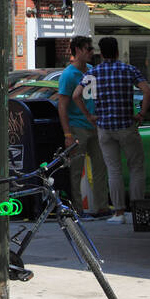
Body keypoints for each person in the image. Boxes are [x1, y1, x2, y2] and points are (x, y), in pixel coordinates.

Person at [76, 37, 150, 224]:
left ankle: (119, 212)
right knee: (136, 167)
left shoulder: (93, 73)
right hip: (127, 125)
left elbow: (76, 95)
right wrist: (141, 113)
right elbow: (147, 90)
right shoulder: (128, 70)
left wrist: (89, 116)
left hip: (104, 128)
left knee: (113, 170)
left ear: (101, 53)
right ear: (117, 52)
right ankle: (137, 211)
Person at [57, 36, 109, 218]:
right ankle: (77, 209)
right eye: (88, 49)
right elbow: (62, 105)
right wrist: (67, 133)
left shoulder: (93, 71)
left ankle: (102, 207)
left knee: (100, 167)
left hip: (95, 126)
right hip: (77, 127)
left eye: (91, 49)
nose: (91, 52)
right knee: (76, 170)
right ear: (77, 50)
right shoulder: (68, 75)